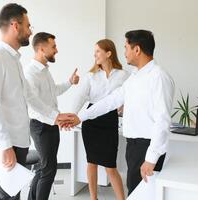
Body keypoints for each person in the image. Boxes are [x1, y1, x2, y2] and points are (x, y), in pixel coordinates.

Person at [63, 30, 175, 196]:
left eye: (126, 47)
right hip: (134, 146)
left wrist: (151, 159)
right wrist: (80, 117)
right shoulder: (135, 77)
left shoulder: (157, 77)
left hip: (146, 146)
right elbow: (111, 101)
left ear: (137, 50)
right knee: (134, 191)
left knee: (142, 194)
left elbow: (162, 121)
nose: (124, 52)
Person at [0, 4, 73, 200]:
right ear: (15, 25)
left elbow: (29, 97)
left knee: (13, 195)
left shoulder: (14, 61)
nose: (30, 31)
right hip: (6, 143)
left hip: (20, 141)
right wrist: (5, 146)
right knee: (7, 197)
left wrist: (56, 117)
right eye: (28, 25)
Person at [24, 32, 79, 200]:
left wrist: (70, 82)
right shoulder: (31, 72)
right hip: (41, 126)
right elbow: (33, 104)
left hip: (50, 125)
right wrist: (57, 117)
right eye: (53, 46)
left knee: (43, 167)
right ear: (41, 48)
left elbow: (53, 91)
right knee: (48, 170)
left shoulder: (44, 70)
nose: (56, 50)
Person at [71, 39, 129, 200]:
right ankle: (93, 198)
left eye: (97, 51)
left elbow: (129, 96)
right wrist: (70, 117)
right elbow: (80, 97)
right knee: (92, 162)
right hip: (91, 121)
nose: (94, 54)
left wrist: (124, 106)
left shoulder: (124, 75)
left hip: (109, 121)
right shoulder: (91, 76)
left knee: (110, 166)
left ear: (108, 53)